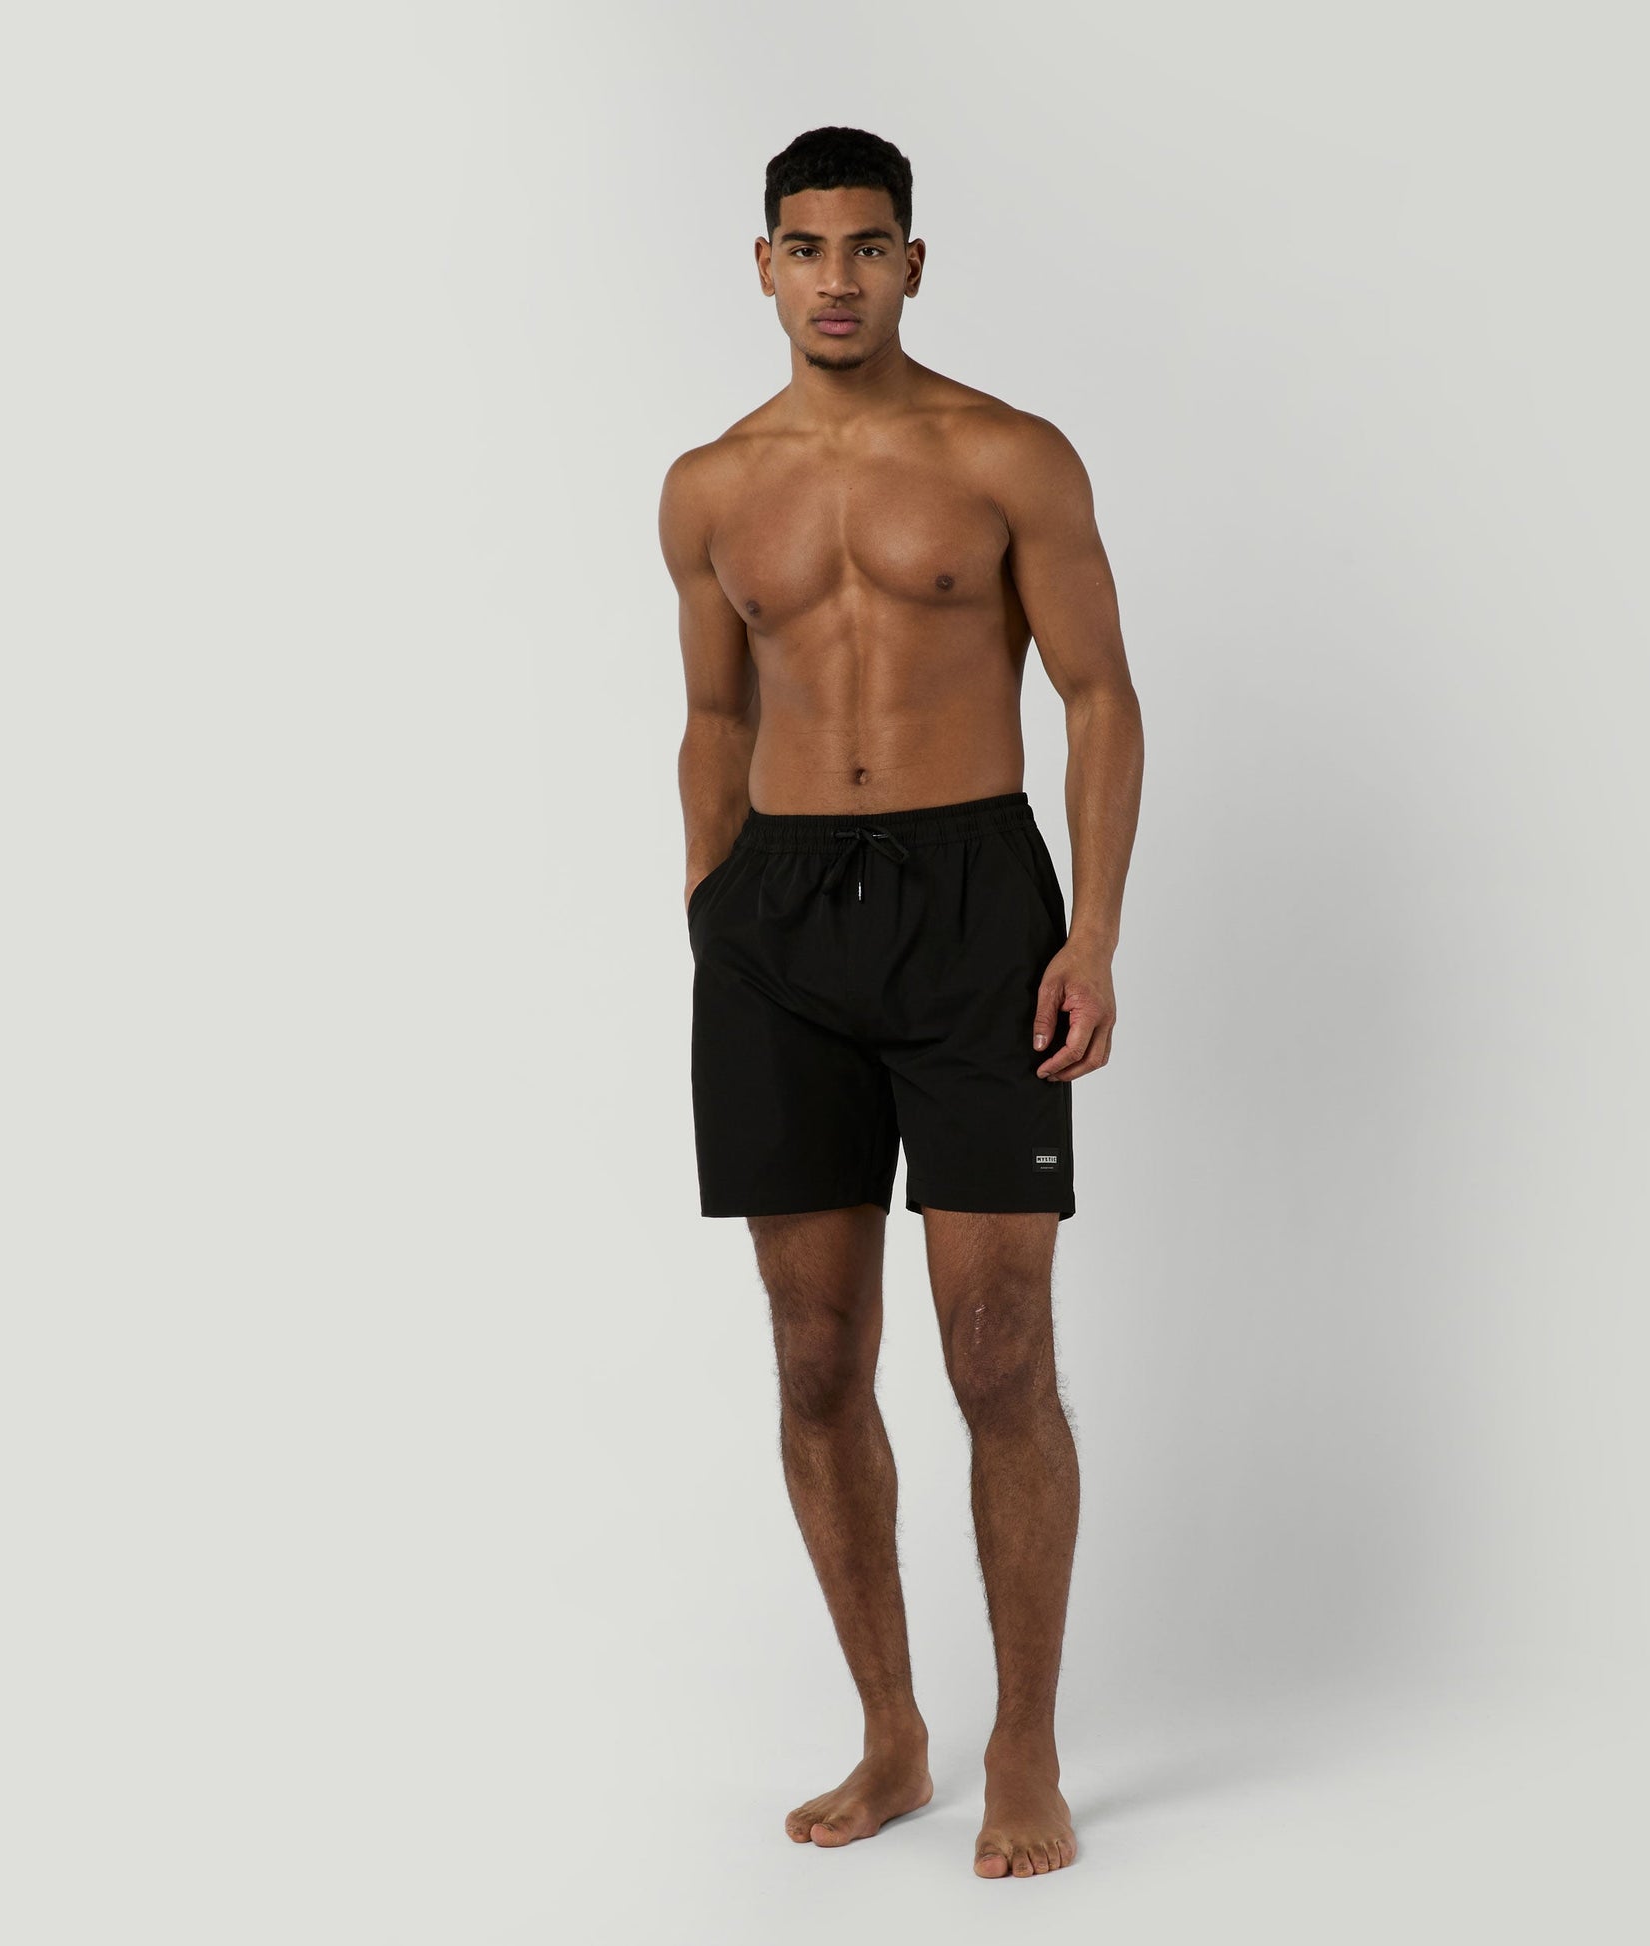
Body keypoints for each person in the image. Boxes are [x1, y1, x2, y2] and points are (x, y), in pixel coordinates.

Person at [660, 125, 1143, 1881]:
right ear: (763, 265)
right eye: (806, 248)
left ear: (912, 264)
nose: (837, 278)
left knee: (996, 1349)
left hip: (971, 906)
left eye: (868, 247)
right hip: (774, 916)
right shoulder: (710, 486)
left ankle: (1024, 1741)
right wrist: (711, 914)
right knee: (812, 1357)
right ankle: (891, 1729)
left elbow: (1097, 694)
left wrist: (1089, 932)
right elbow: (715, 717)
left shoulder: (1005, 454)